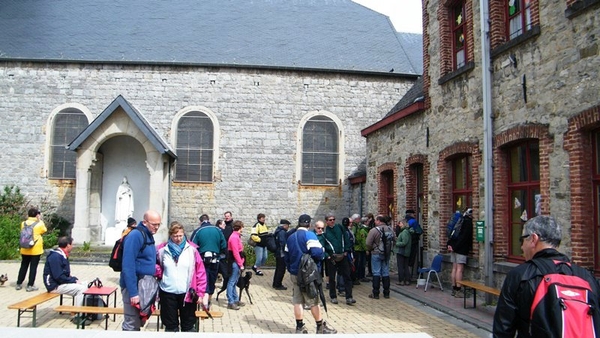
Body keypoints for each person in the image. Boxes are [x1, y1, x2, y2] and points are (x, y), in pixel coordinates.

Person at [493, 215, 600, 337]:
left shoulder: (520, 275)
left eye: (522, 239)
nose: (522, 247)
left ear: (533, 239)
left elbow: (503, 328)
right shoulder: (586, 277)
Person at [285, 214, 337, 334]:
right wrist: (322, 252)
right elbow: (318, 253)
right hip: (307, 273)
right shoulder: (309, 235)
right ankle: (320, 327)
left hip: (294, 272)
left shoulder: (291, 237)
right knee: (313, 300)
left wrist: (291, 268)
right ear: (309, 224)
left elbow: (286, 256)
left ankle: (299, 327)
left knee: (297, 300)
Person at [156, 222, 208, 332]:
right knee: (170, 326)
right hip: (167, 292)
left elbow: (201, 273)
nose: (178, 238)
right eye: (175, 236)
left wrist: (200, 293)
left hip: (187, 293)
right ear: (170, 235)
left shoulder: (192, 250)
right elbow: (156, 266)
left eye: (180, 235)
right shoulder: (162, 250)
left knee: (188, 326)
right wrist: (158, 271)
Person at [120, 209, 160, 331]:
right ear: (144, 222)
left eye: (159, 224)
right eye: (154, 224)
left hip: (144, 284)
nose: (157, 227)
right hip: (135, 285)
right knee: (131, 322)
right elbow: (128, 265)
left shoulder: (148, 234)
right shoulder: (136, 235)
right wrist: (133, 293)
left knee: (138, 320)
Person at [43, 236, 88, 323]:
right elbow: (58, 277)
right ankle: (78, 316)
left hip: (60, 283)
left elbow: (65, 274)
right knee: (81, 289)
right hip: (54, 286)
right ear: (68, 245)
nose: (73, 246)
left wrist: (74, 279)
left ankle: (83, 311)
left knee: (84, 285)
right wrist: (73, 281)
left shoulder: (62, 255)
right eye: (72, 244)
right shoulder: (55, 257)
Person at [191, 214, 227, 305]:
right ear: (209, 220)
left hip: (202, 260)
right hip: (215, 259)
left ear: (200, 221)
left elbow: (192, 246)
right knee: (212, 279)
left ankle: (204, 301)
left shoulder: (198, 231)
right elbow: (224, 245)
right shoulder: (218, 230)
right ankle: (209, 300)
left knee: (203, 278)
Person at [323, 213, 355, 305]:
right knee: (332, 278)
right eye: (330, 220)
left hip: (342, 255)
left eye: (333, 219)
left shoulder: (340, 228)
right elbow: (323, 245)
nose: (332, 221)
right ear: (327, 221)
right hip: (332, 257)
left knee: (347, 276)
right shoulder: (325, 232)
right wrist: (328, 255)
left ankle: (349, 297)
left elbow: (346, 239)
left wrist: (346, 250)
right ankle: (333, 296)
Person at [16, 208, 47, 291]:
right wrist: (39, 220)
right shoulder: (39, 224)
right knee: (33, 267)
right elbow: (44, 230)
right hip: (35, 249)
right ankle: (30, 285)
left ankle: (19, 283)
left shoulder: (24, 223)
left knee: (24, 265)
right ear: (37, 215)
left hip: (25, 248)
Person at [365, 215, 396, 299]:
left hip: (376, 253)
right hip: (386, 253)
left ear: (378, 221)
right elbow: (394, 240)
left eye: (375, 220)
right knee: (385, 272)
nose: (374, 222)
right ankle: (386, 293)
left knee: (376, 272)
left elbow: (368, 243)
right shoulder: (390, 229)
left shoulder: (374, 230)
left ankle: (375, 293)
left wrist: (370, 249)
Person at [447, 208, 473, 298]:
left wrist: (450, 245)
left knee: (454, 268)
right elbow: (464, 237)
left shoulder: (459, 220)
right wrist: (456, 247)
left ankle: (453, 288)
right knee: (459, 269)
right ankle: (458, 290)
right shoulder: (468, 222)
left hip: (453, 246)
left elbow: (452, 233)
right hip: (460, 249)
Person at [226, 220, 246, 310]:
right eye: (242, 227)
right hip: (235, 262)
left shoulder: (236, 236)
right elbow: (235, 252)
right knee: (231, 282)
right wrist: (240, 264)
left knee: (234, 281)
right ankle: (231, 301)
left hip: (237, 261)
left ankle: (235, 299)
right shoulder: (234, 237)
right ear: (240, 227)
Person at [272, 219, 291, 290]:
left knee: (278, 269)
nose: (288, 227)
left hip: (278, 252)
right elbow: (283, 243)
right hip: (281, 253)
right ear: (285, 225)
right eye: (288, 226)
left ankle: (275, 283)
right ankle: (278, 284)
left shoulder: (278, 231)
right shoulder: (282, 232)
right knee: (281, 269)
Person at [351, 214, 369, 283]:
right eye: (358, 219)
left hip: (359, 247)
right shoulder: (355, 227)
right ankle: (358, 277)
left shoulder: (357, 226)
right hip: (358, 248)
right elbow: (358, 238)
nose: (359, 220)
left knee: (361, 263)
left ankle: (359, 277)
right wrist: (365, 248)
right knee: (359, 264)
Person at [394, 221, 412, 285]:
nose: (399, 224)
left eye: (400, 223)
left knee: (401, 266)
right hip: (405, 251)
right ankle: (407, 280)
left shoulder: (404, 232)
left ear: (404, 224)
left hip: (402, 251)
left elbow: (404, 242)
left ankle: (401, 280)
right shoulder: (405, 232)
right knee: (405, 266)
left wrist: (397, 243)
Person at [405, 209, 421, 278]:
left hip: (405, 243)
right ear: (411, 214)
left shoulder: (403, 221)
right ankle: (410, 275)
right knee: (411, 258)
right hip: (413, 242)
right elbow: (419, 231)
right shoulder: (414, 221)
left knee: (405, 259)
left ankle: (405, 276)